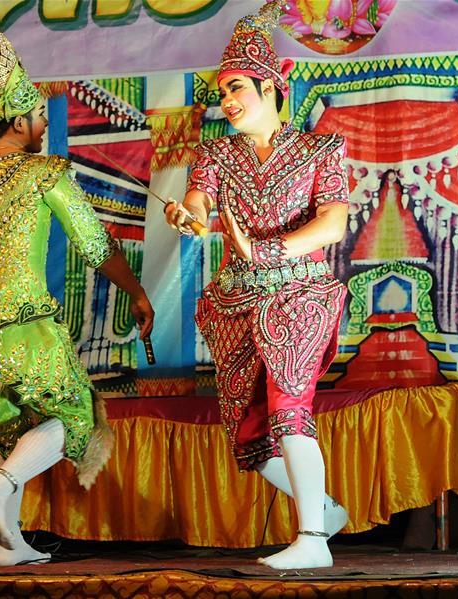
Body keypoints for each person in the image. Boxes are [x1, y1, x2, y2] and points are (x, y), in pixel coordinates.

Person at [0, 20, 154, 566]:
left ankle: (9, 545)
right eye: (41, 115)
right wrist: (138, 293)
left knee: (10, 426)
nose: (45, 124)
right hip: (19, 325)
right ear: (20, 120)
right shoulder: (45, 173)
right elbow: (95, 245)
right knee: (77, 417)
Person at [164, 0, 349, 570]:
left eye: (237, 87)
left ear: (271, 86)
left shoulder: (320, 148)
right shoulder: (216, 154)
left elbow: (333, 223)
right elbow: (199, 202)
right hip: (236, 301)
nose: (226, 100)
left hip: (300, 293)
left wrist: (267, 249)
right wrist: (188, 216)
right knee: (248, 436)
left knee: (289, 404)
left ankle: (313, 540)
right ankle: (325, 512)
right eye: (222, 91)